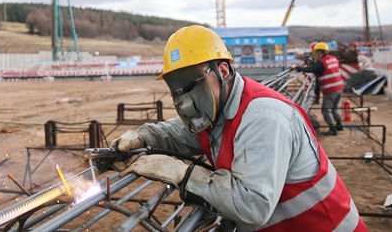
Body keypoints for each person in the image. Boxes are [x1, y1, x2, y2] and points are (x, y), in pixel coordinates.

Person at [113, 25, 367, 231]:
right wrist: (141, 137)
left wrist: (181, 174)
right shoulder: (216, 110)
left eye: (191, 86)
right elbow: (179, 133)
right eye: (177, 90)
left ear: (222, 70)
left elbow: (252, 205)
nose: (185, 102)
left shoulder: (263, 117)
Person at [295, 42, 344, 136]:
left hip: (330, 90)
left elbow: (312, 69)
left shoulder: (321, 62)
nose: (315, 55)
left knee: (326, 110)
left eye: (316, 53)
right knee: (334, 108)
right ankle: (339, 125)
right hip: (339, 88)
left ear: (319, 52)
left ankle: (333, 129)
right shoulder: (334, 59)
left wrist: (298, 68)